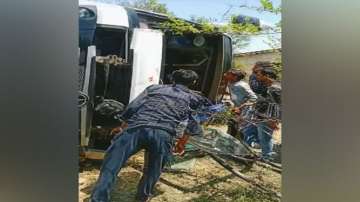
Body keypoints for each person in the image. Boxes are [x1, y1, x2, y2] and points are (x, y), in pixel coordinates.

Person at [90, 69, 212, 202]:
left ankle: (98, 199)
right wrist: (182, 142)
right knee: (153, 169)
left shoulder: (153, 89)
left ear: (172, 79)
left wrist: (122, 127)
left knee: (111, 165)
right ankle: (143, 197)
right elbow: (193, 122)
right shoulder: (195, 98)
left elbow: (132, 108)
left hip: (136, 129)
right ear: (194, 82)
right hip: (164, 133)